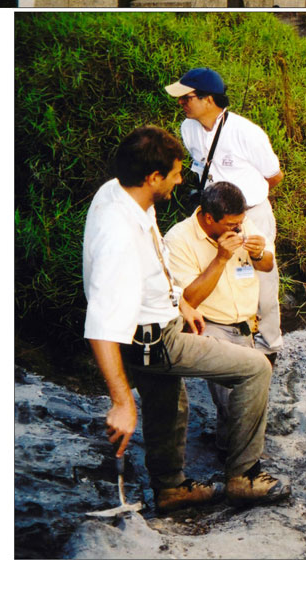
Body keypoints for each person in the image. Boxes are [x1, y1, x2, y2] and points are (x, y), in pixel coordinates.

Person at [83, 126, 286, 511]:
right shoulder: (118, 235)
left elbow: (150, 271)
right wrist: (122, 400)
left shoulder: (120, 193)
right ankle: (243, 476)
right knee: (256, 367)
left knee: (169, 404)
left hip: (161, 321)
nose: (182, 179)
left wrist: (180, 303)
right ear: (152, 177)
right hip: (153, 339)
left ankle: (170, 487)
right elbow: (101, 324)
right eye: (176, 173)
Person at [167, 67, 285, 356]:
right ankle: (221, 330)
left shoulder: (246, 133)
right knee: (217, 267)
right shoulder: (188, 129)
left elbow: (274, 175)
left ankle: (269, 344)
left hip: (250, 212)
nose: (181, 103)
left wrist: (246, 203)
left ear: (208, 99)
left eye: (187, 98)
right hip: (213, 213)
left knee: (263, 276)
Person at [162, 180, 276, 438]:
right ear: (209, 217)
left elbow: (268, 265)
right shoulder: (179, 239)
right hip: (210, 327)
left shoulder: (242, 223)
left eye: (241, 222)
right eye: (231, 225)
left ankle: (227, 447)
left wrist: (259, 255)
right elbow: (188, 300)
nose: (238, 229)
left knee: (240, 399)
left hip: (246, 327)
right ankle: (242, 466)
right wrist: (221, 258)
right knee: (234, 401)